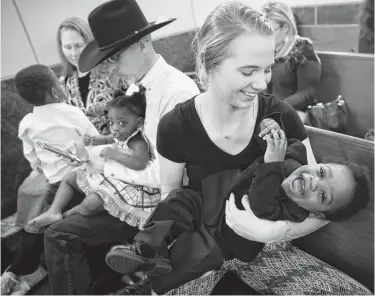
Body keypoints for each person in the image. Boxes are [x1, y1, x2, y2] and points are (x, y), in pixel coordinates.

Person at [101, 2, 331, 294]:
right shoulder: (176, 125)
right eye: (248, 72)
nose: (261, 83)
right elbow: (171, 195)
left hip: (263, 242)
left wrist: (272, 231)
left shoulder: (280, 115)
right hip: (203, 230)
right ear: (210, 63)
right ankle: (147, 273)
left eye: (268, 69)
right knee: (186, 262)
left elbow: (321, 207)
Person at [42, 0, 200, 294]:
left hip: (160, 203)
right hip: (140, 185)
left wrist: (104, 164)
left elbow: (164, 176)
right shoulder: (139, 86)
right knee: (58, 187)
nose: (110, 65)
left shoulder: (175, 92)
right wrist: (94, 155)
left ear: (143, 43)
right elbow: (129, 142)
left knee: (58, 235)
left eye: (115, 57)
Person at [105, 128, 369, 294]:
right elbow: (284, 140)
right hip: (207, 198)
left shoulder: (294, 212)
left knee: (196, 256)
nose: (315, 181)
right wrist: (271, 131)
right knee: (175, 202)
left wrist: (272, 165)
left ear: (318, 215)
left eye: (323, 195)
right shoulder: (294, 158)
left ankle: (147, 286)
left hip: (222, 238)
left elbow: (259, 205)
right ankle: (143, 248)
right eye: (322, 172)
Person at [0, 64, 100, 295]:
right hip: (82, 181)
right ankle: (28, 267)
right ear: (55, 91)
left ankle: (19, 269)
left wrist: (41, 165)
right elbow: (93, 140)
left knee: (37, 205)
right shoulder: (72, 113)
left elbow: (31, 155)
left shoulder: (27, 123)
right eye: (57, 82)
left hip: (55, 184)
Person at [30, 88, 160, 228]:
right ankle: (54, 210)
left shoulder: (137, 141)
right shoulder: (122, 134)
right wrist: (92, 140)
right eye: (111, 122)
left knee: (91, 202)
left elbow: (140, 163)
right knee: (69, 178)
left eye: (122, 123)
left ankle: (67, 215)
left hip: (131, 185)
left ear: (139, 123)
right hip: (113, 176)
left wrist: (114, 154)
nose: (115, 128)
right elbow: (106, 139)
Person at [57, 16, 124, 136]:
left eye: (78, 46)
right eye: (67, 47)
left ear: (90, 43)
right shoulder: (64, 83)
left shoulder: (112, 71)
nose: (73, 53)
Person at [262, 1, 322, 121]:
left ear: (285, 28)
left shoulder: (302, 49)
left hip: (294, 113)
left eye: (269, 31)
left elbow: (307, 93)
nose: (264, 36)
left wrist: (277, 107)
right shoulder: (265, 49)